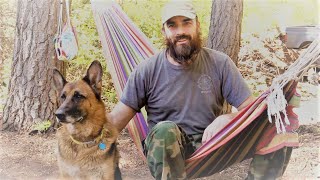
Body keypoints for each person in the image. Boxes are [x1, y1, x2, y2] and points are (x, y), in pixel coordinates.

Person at [107, 1, 292, 179]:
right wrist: (91, 144)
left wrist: (228, 117)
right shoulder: (147, 71)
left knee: (278, 123)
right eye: (172, 25)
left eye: (186, 23)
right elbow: (115, 121)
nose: (180, 31)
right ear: (164, 31)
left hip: (212, 146)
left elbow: (252, 110)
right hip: (166, 151)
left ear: (197, 25)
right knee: (165, 130)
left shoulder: (220, 63)